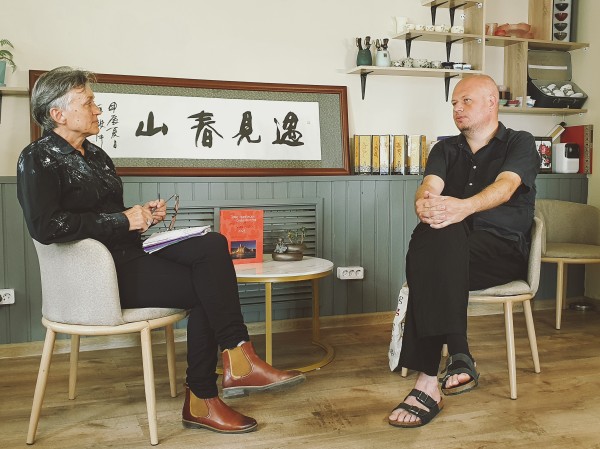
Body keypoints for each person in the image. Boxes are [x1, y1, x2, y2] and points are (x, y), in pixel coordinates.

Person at [17, 66, 306, 434]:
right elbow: (46, 227)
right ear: (58, 113)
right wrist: (123, 220)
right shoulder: (36, 158)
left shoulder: (97, 156)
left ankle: (236, 360)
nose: (97, 109)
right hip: (97, 278)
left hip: (130, 254)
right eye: (88, 103)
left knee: (213, 245)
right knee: (207, 288)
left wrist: (142, 216)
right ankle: (210, 391)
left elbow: (107, 215)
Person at [388, 75, 540, 428]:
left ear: (491, 102)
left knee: (430, 251)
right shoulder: (444, 149)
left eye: (465, 101)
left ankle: (446, 363)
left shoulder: (519, 142)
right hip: (450, 255)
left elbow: (506, 186)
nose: (457, 108)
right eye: (454, 103)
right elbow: (430, 186)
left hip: (500, 253)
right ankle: (443, 370)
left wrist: (464, 207)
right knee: (435, 233)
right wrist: (424, 203)